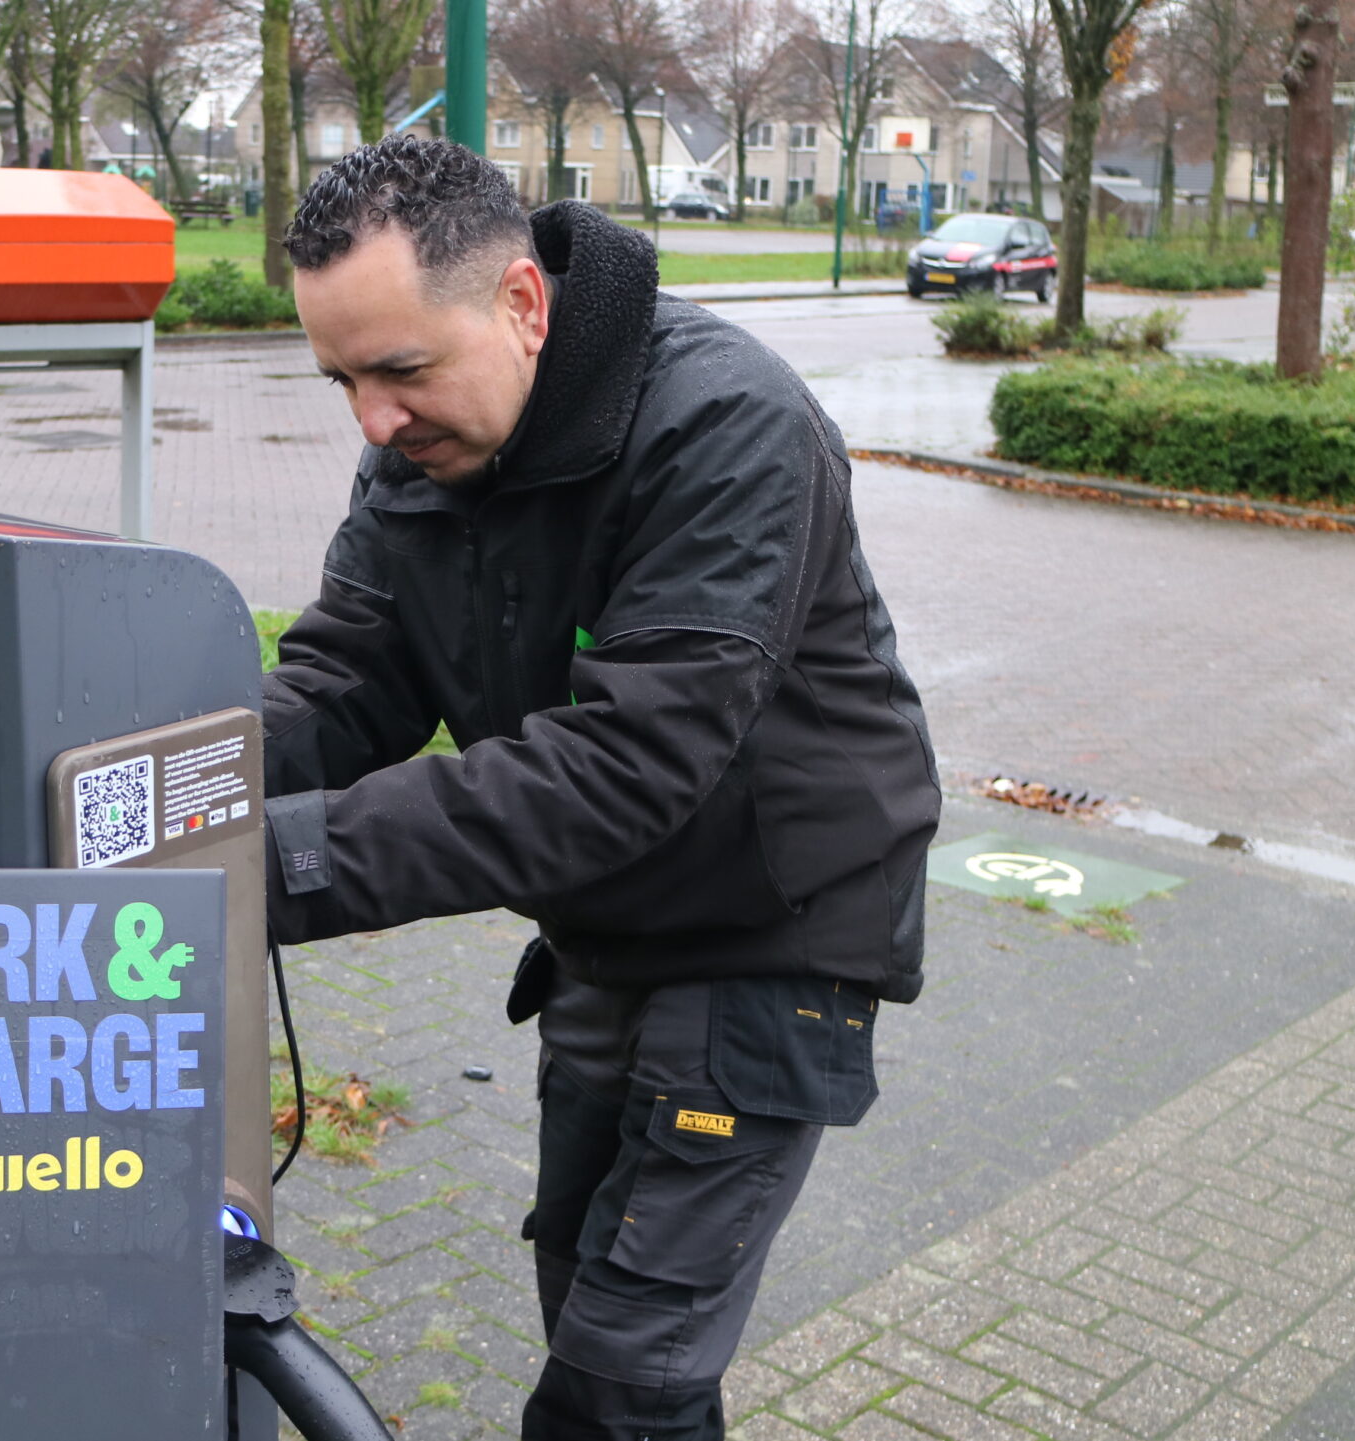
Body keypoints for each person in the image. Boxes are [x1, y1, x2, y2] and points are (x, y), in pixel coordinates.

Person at [258, 135, 941, 1441]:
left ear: (522, 305)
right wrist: (163, 798)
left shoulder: (731, 426)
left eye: (401, 369)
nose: (375, 423)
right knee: (585, 1282)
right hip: (608, 922)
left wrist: (269, 866)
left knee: (626, 1373)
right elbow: (349, 680)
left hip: (774, 930)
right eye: (342, 378)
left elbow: (622, 764)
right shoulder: (423, 446)